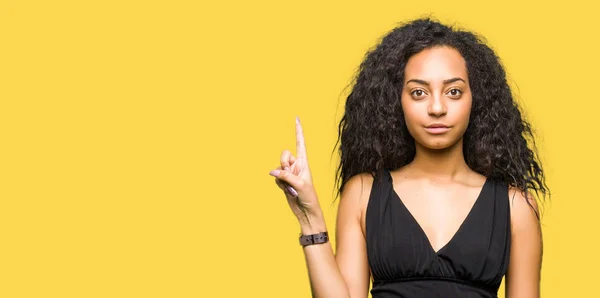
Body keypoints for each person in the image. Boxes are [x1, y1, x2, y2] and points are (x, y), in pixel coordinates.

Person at [268, 17, 549, 298]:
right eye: (418, 92)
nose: (437, 108)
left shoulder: (516, 208)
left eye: (453, 92)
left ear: (476, 98)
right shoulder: (364, 194)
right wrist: (310, 219)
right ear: (397, 101)